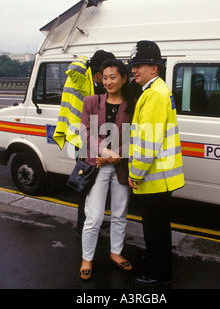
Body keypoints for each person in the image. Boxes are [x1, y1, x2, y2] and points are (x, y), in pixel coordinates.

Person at [127, 40, 185, 286]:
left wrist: (135, 174)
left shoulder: (154, 96)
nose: (134, 70)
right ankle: (156, 260)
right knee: (158, 227)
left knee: (155, 229)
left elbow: (148, 144)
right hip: (161, 175)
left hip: (154, 176)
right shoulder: (158, 91)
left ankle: (158, 273)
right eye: (133, 65)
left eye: (140, 65)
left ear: (155, 68)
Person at [79, 59, 136, 280]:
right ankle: (87, 258)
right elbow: (85, 132)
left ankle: (116, 253)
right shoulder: (92, 101)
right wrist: (104, 152)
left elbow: (136, 135)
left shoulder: (133, 104)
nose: (108, 81)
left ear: (123, 78)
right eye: (105, 77)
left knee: (120, 214)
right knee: (93, 217)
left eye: (113, 77)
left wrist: (115, 155)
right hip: (98, 167)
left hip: (120, 166)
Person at [52, 50, 115, 236]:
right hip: (82, 140)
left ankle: (91, 221)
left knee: (91, 184)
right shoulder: (82, 78)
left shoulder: (88, 80)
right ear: (96, 73)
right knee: (86, 185)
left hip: (83, 138)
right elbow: (75, 68)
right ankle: (83, 228)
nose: (104, 81)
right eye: (103, 76)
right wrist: (86, 60)